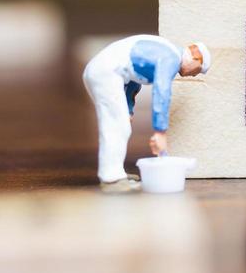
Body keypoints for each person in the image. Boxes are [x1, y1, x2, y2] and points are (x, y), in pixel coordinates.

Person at [83, 35, 210, 189]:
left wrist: (128, 109)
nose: (194, 74)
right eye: (198, 70)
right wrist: (160, 132)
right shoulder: (171, 58)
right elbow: (162, 92)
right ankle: (111, 179)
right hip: (106, 73)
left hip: (104, 70)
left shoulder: (167, 49)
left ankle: (115, 173)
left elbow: (133, 79)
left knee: (120, 125)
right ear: (196, 58)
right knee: (116, 126)